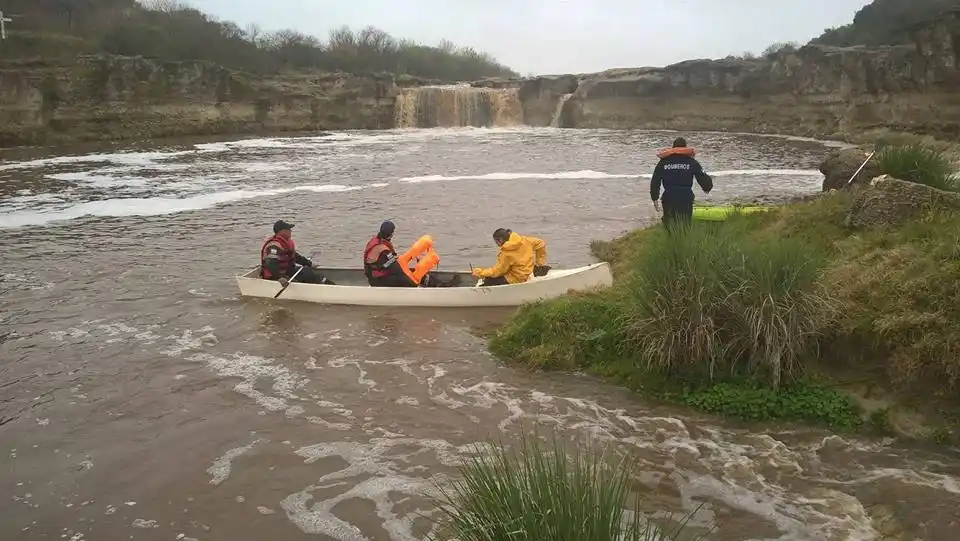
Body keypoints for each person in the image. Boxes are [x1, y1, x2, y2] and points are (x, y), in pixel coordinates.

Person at [362, 220, 458, 288]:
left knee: (414, 272)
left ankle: (440, 284)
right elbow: (395, 269)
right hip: (378, 280)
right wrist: (410, 279)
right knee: (410, 280)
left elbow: (391, 265)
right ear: (390, 234)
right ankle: (419, 288)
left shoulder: (377, 241)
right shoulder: (383, 250)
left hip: (382, 273)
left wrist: (409, 271)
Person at [650, 137, 713, 231]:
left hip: (669, 196)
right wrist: (707, 188)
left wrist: (655, 199)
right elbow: (703, 177)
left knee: (669, 225)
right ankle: (682, 242)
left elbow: (655, 181)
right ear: (685, 147)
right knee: (685, 225)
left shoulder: (663, 163)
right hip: (685, 197)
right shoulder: (691, 162)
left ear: (673, 148)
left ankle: (670, 241)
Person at [260, 220, 335, 286]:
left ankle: (332, 286)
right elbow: (271, 264)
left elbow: (295, 256)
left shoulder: (285, 242)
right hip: (275, 275)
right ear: (281, 231)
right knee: (302, 279)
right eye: (288, 229)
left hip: (287, 271)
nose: (290, 231)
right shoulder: (273, 245)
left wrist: (309, 263)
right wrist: (279, 278)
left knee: (307, 272)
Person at [471, 228, 549, 287]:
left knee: (488, 281)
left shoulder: (506, 253)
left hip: (517, 278)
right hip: (528, 271)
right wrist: (539, 264)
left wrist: (480, 272)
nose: (497, 245)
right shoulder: (525, 240)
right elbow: (541, 243)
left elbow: (498, 272)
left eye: (496, 242)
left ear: (500, 240)